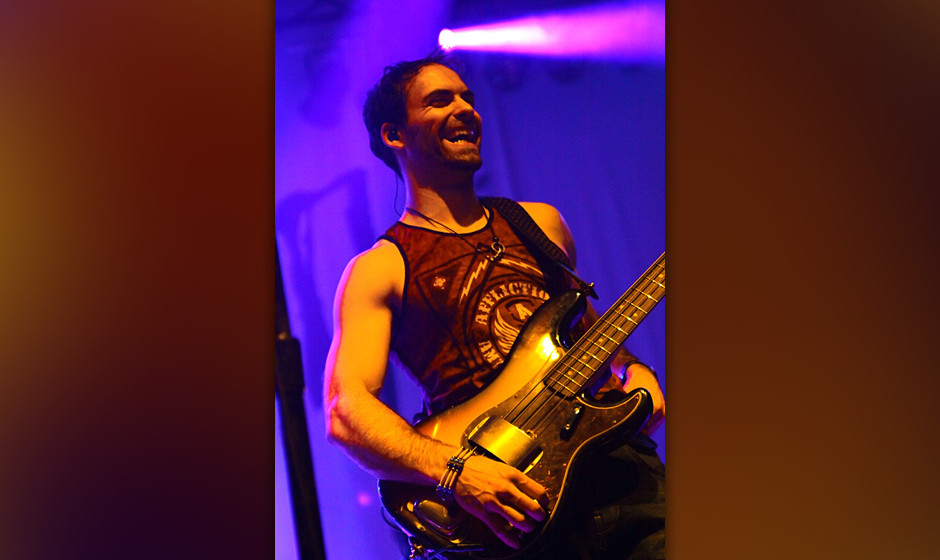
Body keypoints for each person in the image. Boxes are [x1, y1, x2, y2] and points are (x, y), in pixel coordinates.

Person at [324, 53, 665, 559]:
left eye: (468, 98)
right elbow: (346, 411)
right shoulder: (381, 267)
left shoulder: (541, 224)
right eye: (440, 100)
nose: (466, 109)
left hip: (625, 477)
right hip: (514, 511)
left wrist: (635, 372)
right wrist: (457, 472)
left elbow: (587, 333)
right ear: (394, 135)